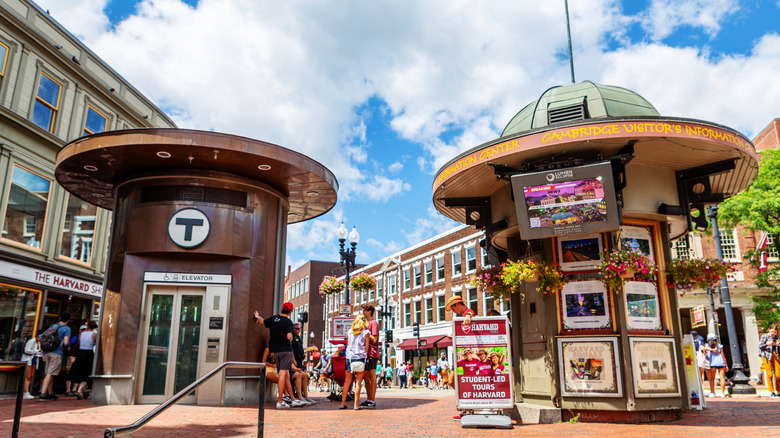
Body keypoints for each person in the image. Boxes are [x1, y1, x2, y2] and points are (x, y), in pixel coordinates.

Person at [254, 302, 306, 409]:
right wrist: (290, 333)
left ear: (282, 309)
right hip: (285, 350)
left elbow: (263, 321)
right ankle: (280, 401)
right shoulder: (288, 322)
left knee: (285, 374)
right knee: (282, 374)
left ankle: (293, 399)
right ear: (291, 311)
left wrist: (257, 316)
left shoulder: (273, 319)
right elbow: (288, 337)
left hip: (275, 350)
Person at [39, 312, 71, 401]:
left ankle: (50, 393)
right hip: (57, 352)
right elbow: (66, 342)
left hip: (47, 352)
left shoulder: (53, 326)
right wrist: (67, 349)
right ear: (68, 320)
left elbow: (42, 337)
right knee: (50, 373)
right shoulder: (66, 329)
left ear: (60, 318)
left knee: (50, 372)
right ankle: (43, 394)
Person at [341, 315, 369, 410]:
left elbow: (348, 344)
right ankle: (356, 405)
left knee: (347, 381)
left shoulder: (349, 332)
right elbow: (366, 348)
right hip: (360, 358)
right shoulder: (366, 333)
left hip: (349, 358)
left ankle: (342, 403)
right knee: (358, 381)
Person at [66, 321, 97, 399]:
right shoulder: (94, 334)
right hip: (88, 353)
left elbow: (80, 341)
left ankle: (78, 390)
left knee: (79, 371)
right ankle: (80, 390)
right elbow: (95, 343)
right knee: (87, 372)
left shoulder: (82, 334)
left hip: (80, 353)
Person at [360, 304, 379, 409]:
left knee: (372, 376)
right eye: (363, 310)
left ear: (370, 311)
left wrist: (365, 332)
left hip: (372, 353)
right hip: (365, 353)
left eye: (365, 310)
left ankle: (372, 400)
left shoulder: (373, 323)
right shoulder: (366, 323)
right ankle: (368, 399)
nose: (364, 312)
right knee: (365, 377)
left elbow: (374, 339)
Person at [703, 333, 728, 397]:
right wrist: (726, 365)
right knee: (722, 378)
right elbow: (723, 356)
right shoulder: (720, 346)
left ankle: (712, 392)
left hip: (712, 363)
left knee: (712, 379)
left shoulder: (707, 346)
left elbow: (703, 350)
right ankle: (722, 393)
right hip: (721, 363)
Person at [758, 325, 780, 398]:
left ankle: (779, 391)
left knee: (778, 375)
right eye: (772, 331)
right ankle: (772, 391)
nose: (773, 333)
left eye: (775, 332)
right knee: (769, 374)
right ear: (769, 330)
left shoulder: (778, 338)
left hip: (775, 356)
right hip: (766, 356)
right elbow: (760, 346)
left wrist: (778, 345)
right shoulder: (765, 336)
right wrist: (768, 344)